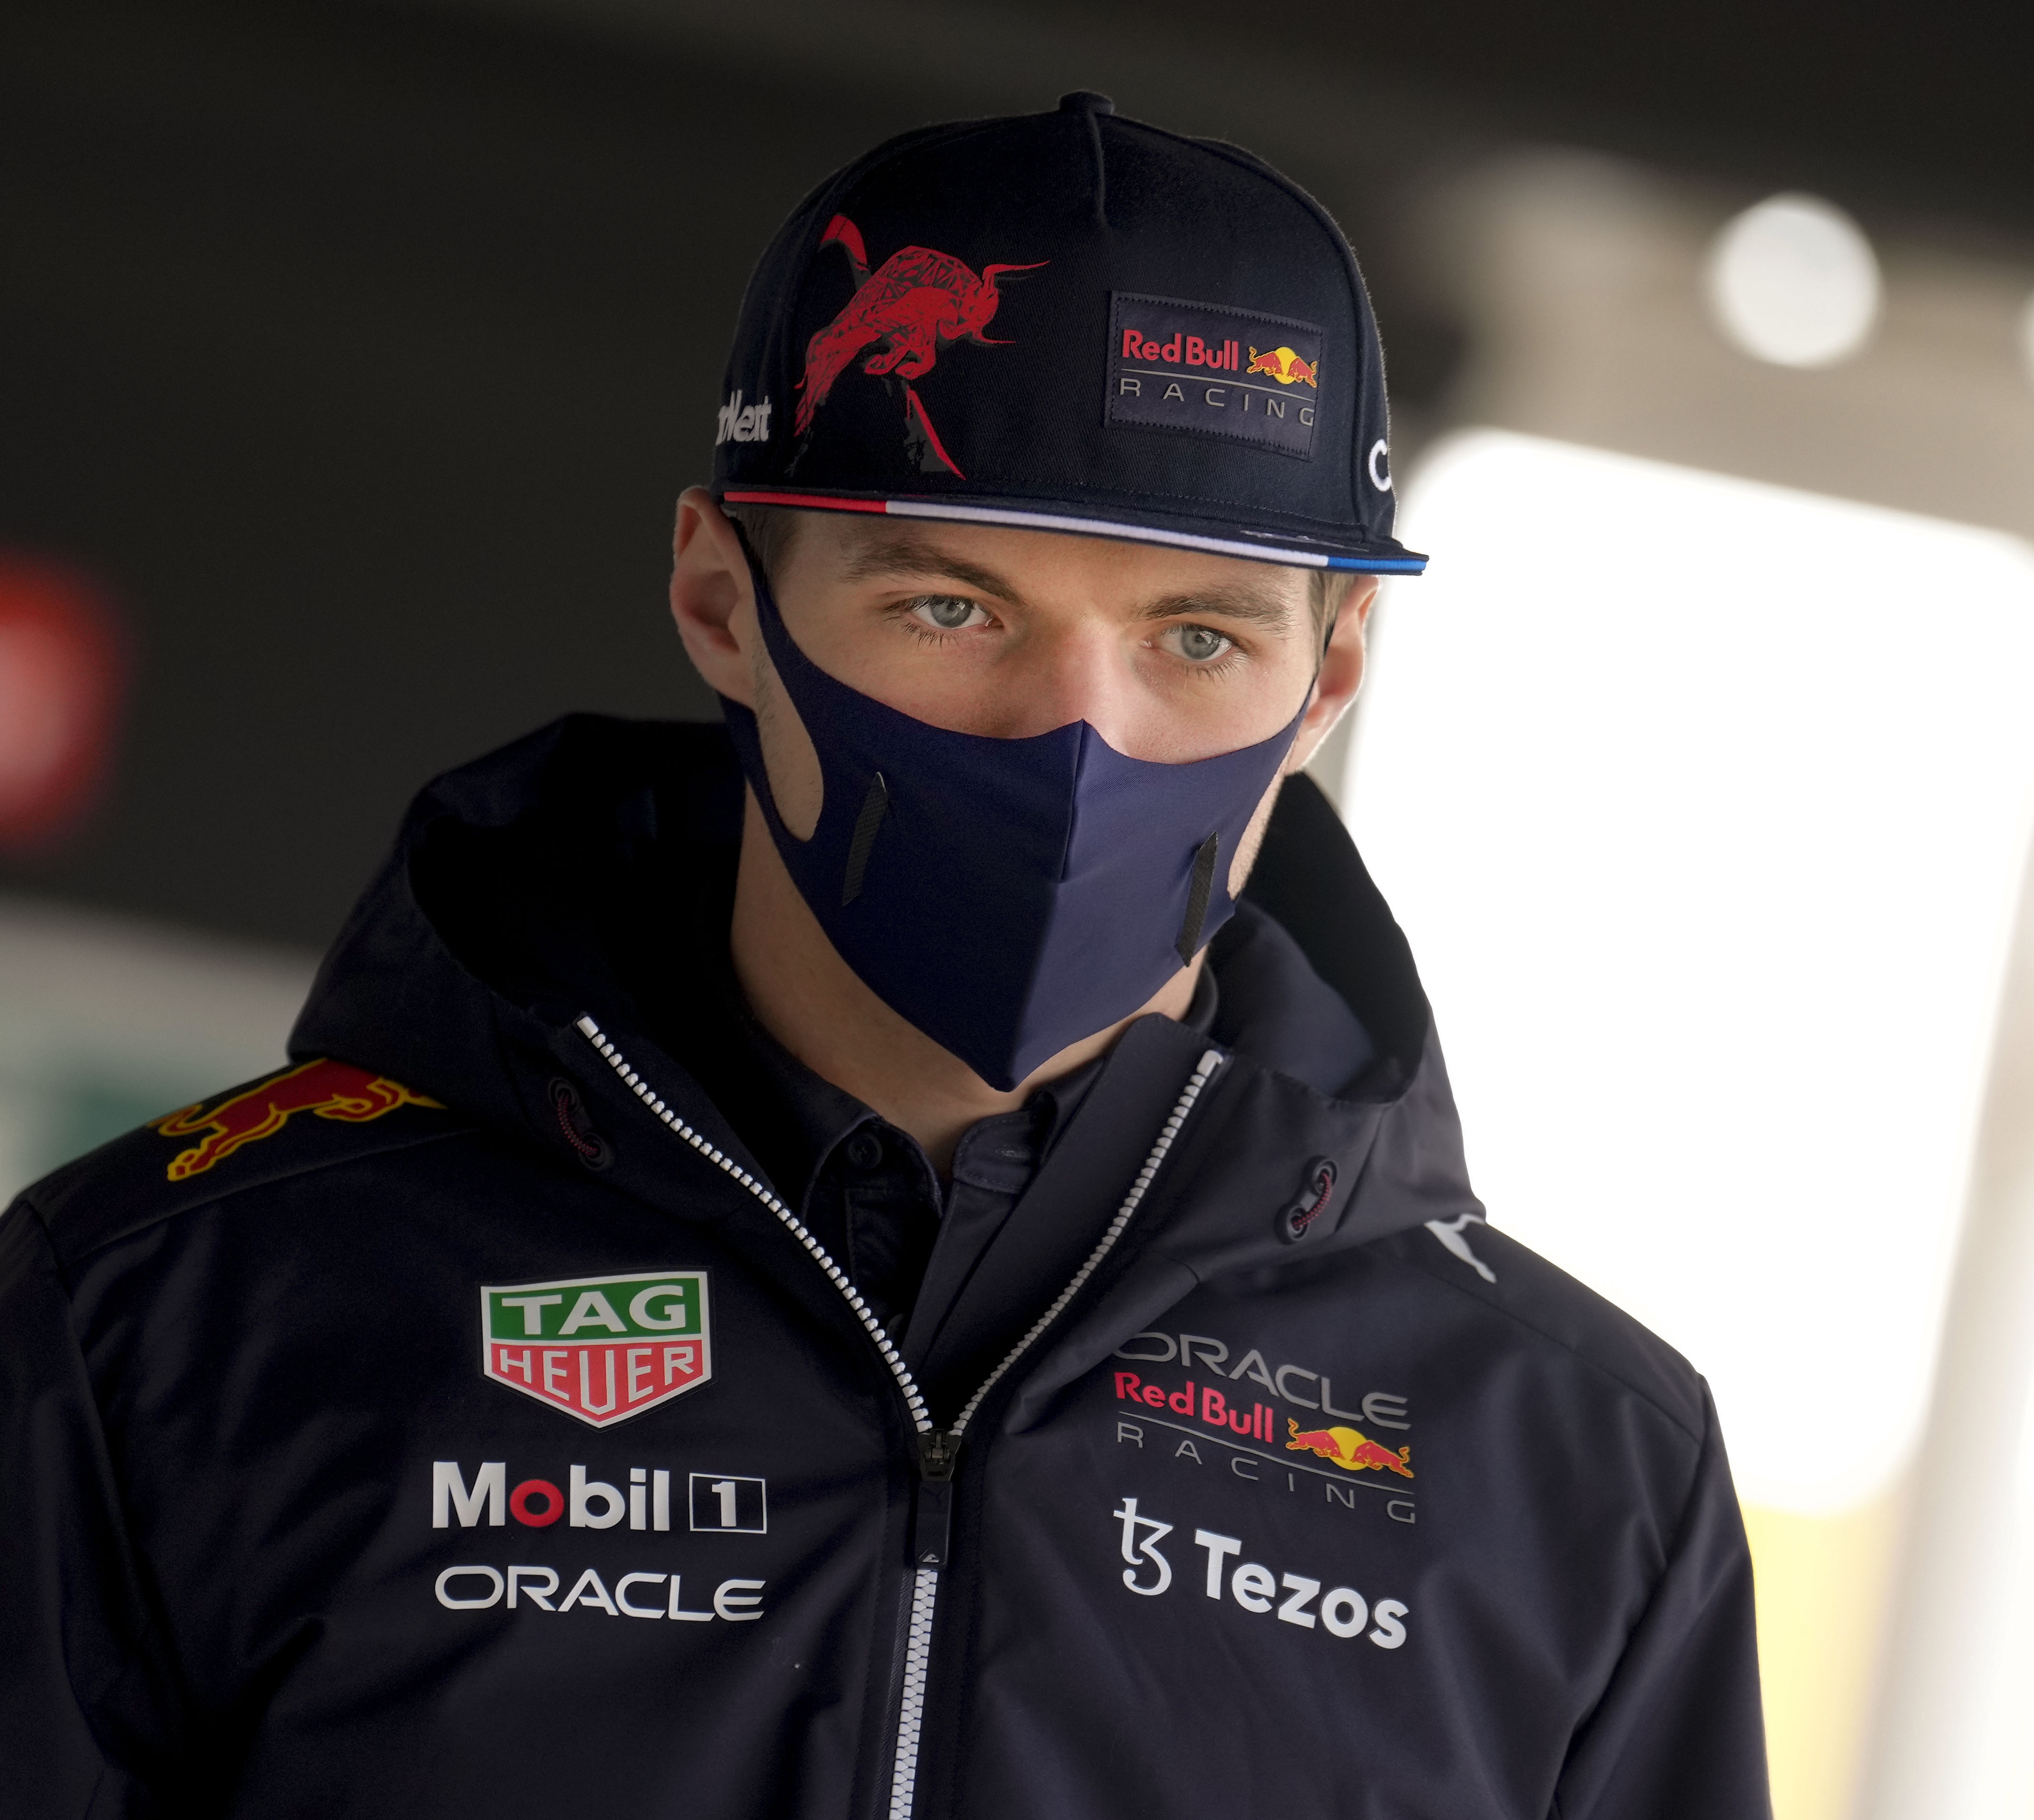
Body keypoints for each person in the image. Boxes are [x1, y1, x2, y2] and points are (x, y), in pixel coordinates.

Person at [0, 94, 1769, 1818]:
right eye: (952, 608)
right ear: (720, 599)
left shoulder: (1580, 1473)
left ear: (1332, 671)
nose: (1078, 739)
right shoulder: (172, 1309)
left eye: (1199, 636)